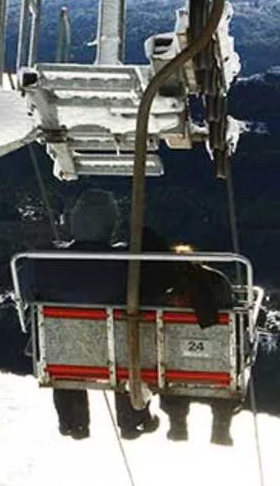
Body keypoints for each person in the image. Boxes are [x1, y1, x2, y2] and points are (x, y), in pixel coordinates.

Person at [50, 188, 161, 440]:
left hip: (64, 349)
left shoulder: (48, 259)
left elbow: (28, 291)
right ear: (110, 224)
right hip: (118, 347)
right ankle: (132, 418)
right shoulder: (126, 263)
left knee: (62, 350)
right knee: (125, 349)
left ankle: (73, 422)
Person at [142, 233, 240, 446]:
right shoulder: (218, 281)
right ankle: (221, 429)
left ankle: (178, 426)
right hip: (219, 363)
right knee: (224, 377)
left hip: (175, 365)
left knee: (170, 372)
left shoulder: (165, 291)